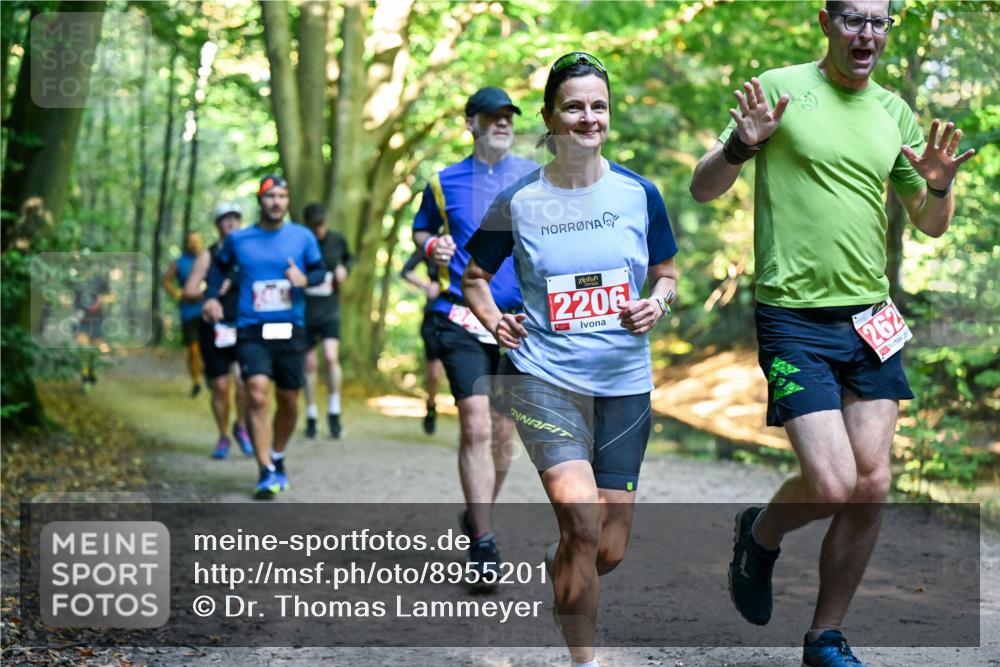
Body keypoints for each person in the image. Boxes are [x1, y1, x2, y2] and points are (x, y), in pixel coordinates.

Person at [688, 3, 976, 665]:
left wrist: (942, 185)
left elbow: (930, 222)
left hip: (871, 319)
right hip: (794, 318)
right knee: (831, 480)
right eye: (853, 19)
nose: (867, 34)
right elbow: (704, 188)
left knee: (872, 482)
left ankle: (826, 636)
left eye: (880, 22)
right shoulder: (781, 90)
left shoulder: (894, 113)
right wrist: (740, 144)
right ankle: (757, 536)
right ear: (826, 22)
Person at [463, 52, 678, 667]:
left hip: (624, 383)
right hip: (544, 377)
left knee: (607, 547)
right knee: (583, 522)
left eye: (598, 106)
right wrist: (493, 319)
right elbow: (474, 277)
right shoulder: (521, 200)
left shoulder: (640, 194)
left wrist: (655, 307)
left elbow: (665, 275)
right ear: (550, 117)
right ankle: (585, 660)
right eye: (574, 107)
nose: (588, 118)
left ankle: (566, 560)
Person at [411, 86, 539, 586]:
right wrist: (432, 245)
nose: (503, 123)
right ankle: (484, 541)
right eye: (492, 117)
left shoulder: (533, 176)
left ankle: (477, 512)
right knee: (477, 428)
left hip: (516, 324)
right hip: (461, 316)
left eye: (509, 116)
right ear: (471, 124)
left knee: (504, 435)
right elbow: (421, 232)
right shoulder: (443, 183)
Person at [203, 175, 326, 499]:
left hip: (290, 328)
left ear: (288, 202)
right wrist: (212, 297)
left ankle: (278, 454)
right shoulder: (239, 240)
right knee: (256, 393)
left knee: (288, 399)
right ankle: (265, 470)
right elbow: (218, 268)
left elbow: (320, 271)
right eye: (271, 196)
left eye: (283, 196)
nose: (277, 202)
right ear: (260, 200)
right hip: (251, 328)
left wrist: (304, 278)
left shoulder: (302, 237)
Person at [183, 202, 253, 460]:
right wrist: (210, 294)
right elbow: (189, 290)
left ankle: (241, 427)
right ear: (218, 225)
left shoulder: (248, 252)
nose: (231, 223)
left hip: (244, 324)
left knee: (245, 382)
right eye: (225, 219)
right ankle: (223, 435)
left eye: (235, 218)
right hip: (214, 328)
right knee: (221, 386)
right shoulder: (208, 255)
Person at [301, 203, 352, 439]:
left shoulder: (337, 241)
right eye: (314, 227)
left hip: (330, 310)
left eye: (322, 226)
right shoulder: (301, 242)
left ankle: (334, 411)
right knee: (309, 363)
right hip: (305, 310)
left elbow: (349, 260)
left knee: (331, 357)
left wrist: (344, 271)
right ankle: (311, 414)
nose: (319, 230)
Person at [400, 245, 444, 434]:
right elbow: (405, 270)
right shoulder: (432, 244)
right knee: (434, 374)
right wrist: (427, 285)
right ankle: (431, 404)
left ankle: (468, 418)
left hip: (464, 313)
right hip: (435, 312)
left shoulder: (468, 238)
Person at [163, 231, 206, 397]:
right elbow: (166, 281)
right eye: (191, 241)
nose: (194, 244)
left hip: (207, 310)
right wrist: (175, 292)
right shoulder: (180, 263)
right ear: (186, 244)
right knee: (193, 349)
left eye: (197, 241)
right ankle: (196, 381)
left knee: (207, 347)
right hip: (188, 311)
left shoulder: (208, 260)